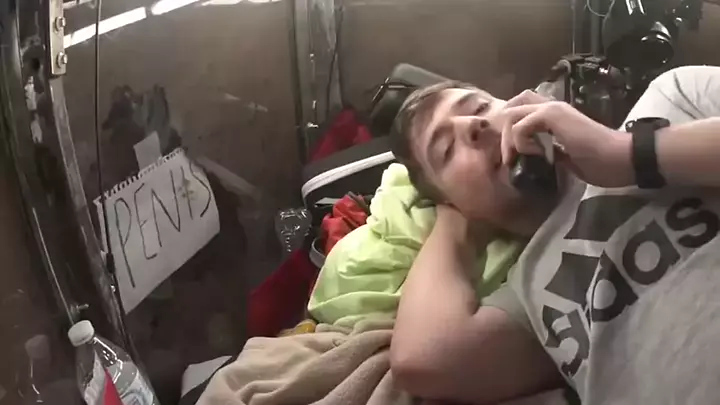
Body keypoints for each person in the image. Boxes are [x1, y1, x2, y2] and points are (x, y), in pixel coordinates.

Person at [389, 65, 720, 404]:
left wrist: (625, 153)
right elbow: (421, 359)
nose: (472, 124)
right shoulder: (529, 293)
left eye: (480, 107)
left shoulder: (672, 98)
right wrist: (455, 219)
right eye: (446, 150)